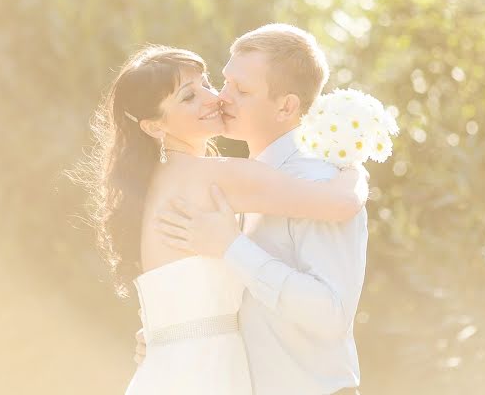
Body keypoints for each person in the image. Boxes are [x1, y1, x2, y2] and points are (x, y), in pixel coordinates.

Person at [83, 43, 367, 395]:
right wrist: (354, 166)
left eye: (206, 83)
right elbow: (339, 203)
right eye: (188, 97)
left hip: (171, 368)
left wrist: (161, 335)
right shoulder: (215, 176)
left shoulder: (155, 183)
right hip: (205, 373)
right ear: (155, 126)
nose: (212, 98)